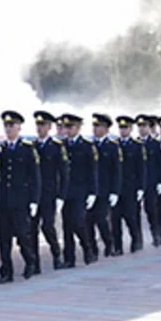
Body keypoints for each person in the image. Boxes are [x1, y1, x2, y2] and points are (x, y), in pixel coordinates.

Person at [0, 111, 40, 282]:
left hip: (21, 200)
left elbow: (35, 177)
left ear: (19, 127)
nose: (8, 129)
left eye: (12, 125)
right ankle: (6, 271)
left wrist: (34, 200)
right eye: (6, 125)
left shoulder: (28, 149)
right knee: (4, 238)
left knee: (23, 235)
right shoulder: (0, 149)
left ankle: (30, 261)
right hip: (3, 200)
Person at [30, 110, 69, 273]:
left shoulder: (57, 147)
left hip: (49, 193)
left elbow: (64, 173)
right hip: (33, 194)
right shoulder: (31, 146)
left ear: (49, 127)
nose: (40, 128)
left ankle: (56, 254)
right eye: (38, 124)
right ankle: (34, 263)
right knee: (31, 229)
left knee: (47, 226)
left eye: (43, 125)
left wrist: (61, 195)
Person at [59, 113, 98, 268]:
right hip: (65, 191)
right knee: (66, 225)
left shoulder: (87, 146)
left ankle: (87, 248)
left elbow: (93, 171)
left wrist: (93, 192)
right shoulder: (61, 145)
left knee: (78, 222)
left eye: (70, 126)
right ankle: (69, 258)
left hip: (81, 190)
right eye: (65, 127)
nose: (67, 130)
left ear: (78, 127)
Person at [87, 113, 120, 259]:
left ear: (106, 128)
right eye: (94, 125)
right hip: (89, 190)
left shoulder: (112, 147)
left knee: (101, 219)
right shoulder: (88, 145)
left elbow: (117, 171)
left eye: (98, 126)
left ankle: (108, 243)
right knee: (87, 221)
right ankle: (92, 248)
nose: (95, 129)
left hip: (105, 189)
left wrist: (115, 191)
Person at [111, 115, 146, 254]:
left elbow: (142, 168)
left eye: (125, 127)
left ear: (131, 129)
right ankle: (118, 247)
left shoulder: (137, 146)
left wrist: (141, 187)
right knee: (115, 219)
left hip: (131, 187)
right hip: (116, 187)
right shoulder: (114, 145)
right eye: (120, 127)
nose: (122, 130)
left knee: (131, 216)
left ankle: (136, 240)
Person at [137, 115, 161, 246]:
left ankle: (157, 234)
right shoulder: (135, 143)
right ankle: (137, 239)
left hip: (151, 181)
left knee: (151, 210)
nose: (142, 129)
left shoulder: (156, 144)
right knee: (134, 212)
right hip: (136, 182)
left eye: (145, 126)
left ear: (150, 128)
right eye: (140, 126)